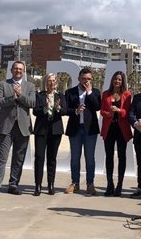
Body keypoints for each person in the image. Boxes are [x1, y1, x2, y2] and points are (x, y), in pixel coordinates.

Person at [0, 61, 36, 199]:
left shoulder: (30, 86)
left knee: (18, 159)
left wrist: (20, 96)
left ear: (24, 70)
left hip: (23, 127)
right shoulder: (3, 84)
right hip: (6, 127)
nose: (18, 71)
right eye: (16, 68)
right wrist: (12, 98)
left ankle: (13, 184)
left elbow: (33, 103)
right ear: (11, 70)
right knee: (1, 158)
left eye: (21, 69)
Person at [64, 68, 101, 196]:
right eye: (84, 78)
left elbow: (97, 107)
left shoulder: (95, 92)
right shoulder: (70, 92)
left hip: (90, 130)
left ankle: (90, 184)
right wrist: (75, 111)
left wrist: (89, 92)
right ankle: (75, 183)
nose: (86, 81)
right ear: (79, 79)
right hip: (75, 129)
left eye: (89, 79)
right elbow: (64, 109)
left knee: (90, 158)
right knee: (75, 158)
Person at [32, 73, 66, 196]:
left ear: (56, 82)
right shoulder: (39, 96)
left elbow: (65, 111)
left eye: (53, 81)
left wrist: (58, 108)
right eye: (49, 81)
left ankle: (51, 184)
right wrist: (45, 109)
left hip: (55, 130)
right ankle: (38, 185)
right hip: (41, 130)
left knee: (52, 158)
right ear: (45, 83)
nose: (51, 83)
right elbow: (35, 111)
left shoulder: (60, 96)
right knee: (39, 157)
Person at [100, 71, 133, 196]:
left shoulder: (127, 94)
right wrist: (109, 113)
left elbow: (128, 112)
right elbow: (102, 111)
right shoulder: (106, 94)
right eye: (115, 79)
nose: (117, 81)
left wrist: (119, 110)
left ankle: (119, 184)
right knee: (108, 157)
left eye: (119, 79)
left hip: (121, 129)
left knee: (122, 156)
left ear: (122, 81)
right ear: (112, 80)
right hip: (109, 128)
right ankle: (110, 184)